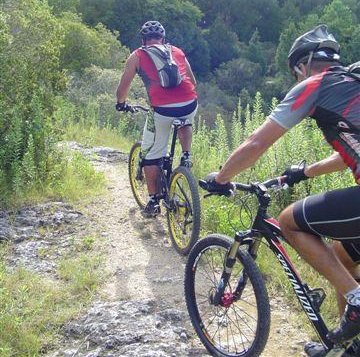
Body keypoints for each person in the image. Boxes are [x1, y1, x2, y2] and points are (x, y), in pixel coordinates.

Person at [202, 24, 360, 357]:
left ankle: (357, 302)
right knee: (342, 256)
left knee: (288, 221)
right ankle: (345, 346)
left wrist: (221, 178)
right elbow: (347, 153)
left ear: (304, 65)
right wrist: (304, 172)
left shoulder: (315, 85)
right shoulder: (352, 85)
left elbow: (257, 141)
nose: (295, 76)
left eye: (295, 71)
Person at [116, 21, 198, 217]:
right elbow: (193, 81)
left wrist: (121, 103)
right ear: (163, 38)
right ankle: (186, 155)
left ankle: (153, 201)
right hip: (190, 103)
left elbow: (123, 87)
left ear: (143, 39)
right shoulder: (176, 51)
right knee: (185, 119)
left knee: (150, 155)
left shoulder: (137, 55)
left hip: (161, 109)